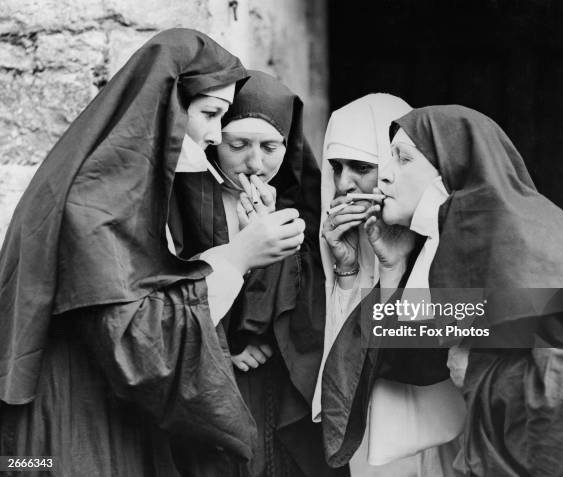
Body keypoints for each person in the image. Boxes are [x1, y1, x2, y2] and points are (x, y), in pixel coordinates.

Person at [0, 29, 305, 476]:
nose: (214, 134)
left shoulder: (138, 189)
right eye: (209, 114)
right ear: (166, 104)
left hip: (114, 408)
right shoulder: (99, 199)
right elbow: (138, 342)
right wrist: (237, 257)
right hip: (70, 421)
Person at [374, 104, 563, 476]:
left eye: (403, 158)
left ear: (453, 167)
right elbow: (409, 356)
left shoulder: (524, 238)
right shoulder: (454, 240)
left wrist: (476, 370)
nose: (382, 176)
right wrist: (391, 269)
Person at [168, 70, 344, 477]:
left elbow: (316, 293)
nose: (255, 162)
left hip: (279, 380)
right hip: (210, 377)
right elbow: (169, 288)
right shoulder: (182, 201)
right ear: (215, 139)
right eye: (238, 144)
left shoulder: (297, 205)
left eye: (270, 146)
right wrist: (223, 345)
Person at [313, 93, 434, 476]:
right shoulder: (339, 238)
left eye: (361, 166)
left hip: (430, 424)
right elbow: (345, 360)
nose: (344, 183)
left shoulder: (439, 236)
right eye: (336, 166)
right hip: (369, 432)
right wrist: (346, 270)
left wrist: (394, 267)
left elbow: (418, 342)